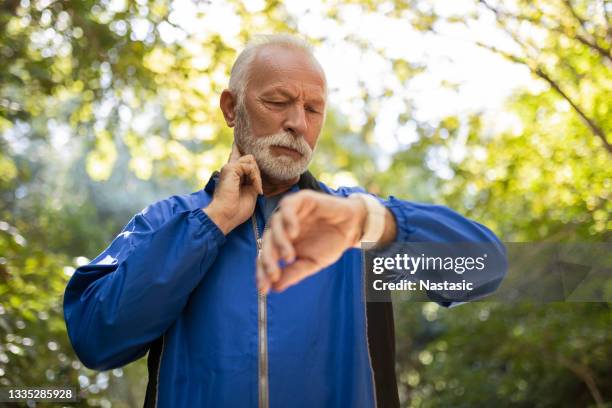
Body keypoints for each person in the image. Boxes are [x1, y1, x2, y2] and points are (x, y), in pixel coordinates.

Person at [63, 34, 506, 408]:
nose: (297, 123)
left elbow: (485, 270)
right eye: (278, 101)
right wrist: (211, 223)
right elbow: (95, 337)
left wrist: (375, 222)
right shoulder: (169, 222)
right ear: (231, 109)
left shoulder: (357, 224)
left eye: (313, 110)